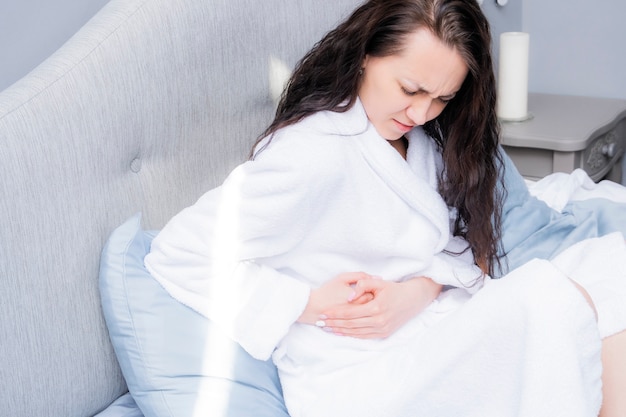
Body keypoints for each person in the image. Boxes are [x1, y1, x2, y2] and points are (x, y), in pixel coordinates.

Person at [144, 0, 626, 415]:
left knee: (610, 264)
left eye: (442, 98)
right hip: (358, 373)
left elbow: (453, 242)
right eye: (411, 90)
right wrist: (304, 304)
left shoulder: (416, 140)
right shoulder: (313, 153)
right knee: (545, 295)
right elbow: (179, 251)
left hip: (426, 326)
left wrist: (418, 290)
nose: (421, 113)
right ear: (364, 57)